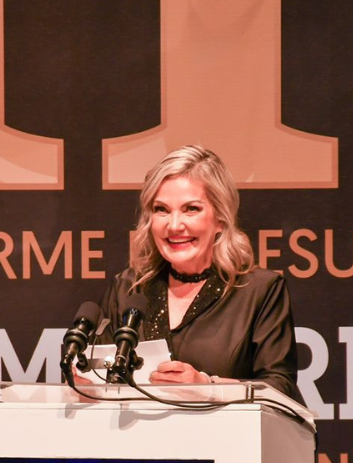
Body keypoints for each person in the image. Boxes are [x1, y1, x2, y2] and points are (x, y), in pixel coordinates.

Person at [96, 145, 300, 400]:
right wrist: (85, 385)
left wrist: (207, 385)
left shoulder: (260, 291)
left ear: (221, 219)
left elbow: (281, 388)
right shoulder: (127, 288)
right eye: (161, 209)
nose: (174, 225)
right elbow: (98, 379)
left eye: (191, 209)